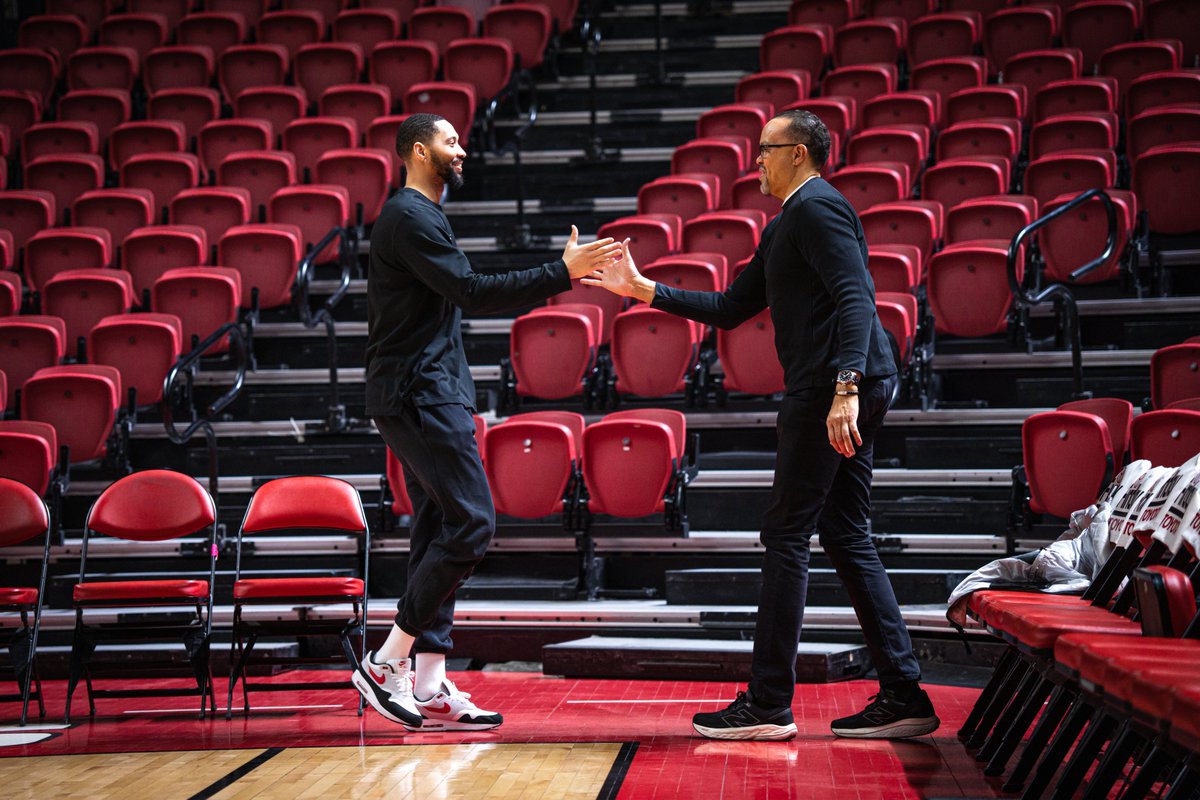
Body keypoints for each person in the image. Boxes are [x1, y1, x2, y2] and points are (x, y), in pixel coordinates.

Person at [582, 109, 939, 741]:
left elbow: (857, 297)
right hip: (842, 382)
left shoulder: (816, 209)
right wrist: (643, 289)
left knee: (786, 535)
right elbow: (730, 307)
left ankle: (770, 702)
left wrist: (845, 388)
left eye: (766, 151)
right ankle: (905, 692)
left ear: (799, 155)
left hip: (834, 387)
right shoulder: (786, 226)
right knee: (846, 534)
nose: (756, 163)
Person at [353, 113, 622, 731]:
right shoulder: (411, 216)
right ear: (420, 151)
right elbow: (473, 291)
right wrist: (563, 273)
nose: (463, 148)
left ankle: (428, 681)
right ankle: (387, 662)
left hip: (424, 391)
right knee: (472, 524)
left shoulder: (420, 216)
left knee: (439, 527)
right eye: (451, 141)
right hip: (420, 394)